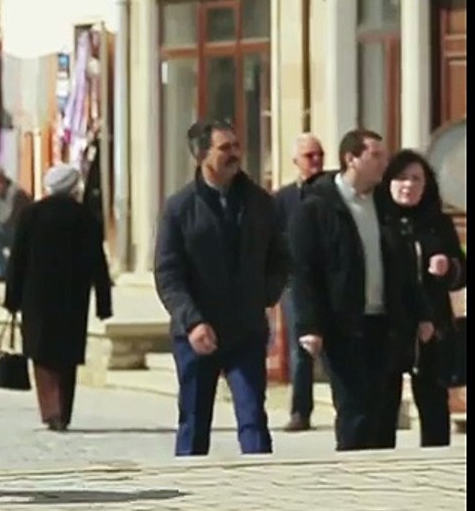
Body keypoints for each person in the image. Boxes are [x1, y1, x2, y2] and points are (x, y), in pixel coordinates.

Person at [289, 129, 435, 451]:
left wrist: (422, 312)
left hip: (384, 323)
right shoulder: (318, 206)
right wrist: (309, 324)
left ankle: (378, 476)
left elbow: (403, 266)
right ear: (351, 159)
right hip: (343, 325)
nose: (384, 162)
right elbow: (303, 271)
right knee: (355, 410)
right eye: (376, 155)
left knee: (382, 411)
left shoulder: (384, 205)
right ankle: (351, 473)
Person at [153, 120, 287, 457]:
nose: (234, 154)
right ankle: (192, 481)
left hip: (246, 332)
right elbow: (169, 274)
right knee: (194, 419)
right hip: (198, 334)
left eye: (236, 146)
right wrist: (192, 321)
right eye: (224, 148)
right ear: (201, 155)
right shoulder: (179, 208)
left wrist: (265, 295)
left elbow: (281, 257)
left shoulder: (259, 203)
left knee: (253, 416)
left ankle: (261, 480)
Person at [4, 164, 113, 431]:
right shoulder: (86, 217)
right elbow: (98, 263)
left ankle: (50, 410)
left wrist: (12, 298)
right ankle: (63, 411)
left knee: (41, 355)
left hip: (36, 296)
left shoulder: (31, 214)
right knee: (66, 356)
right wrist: (103, 302)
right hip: (72, 297)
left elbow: (17, 260)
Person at [377, 149, 465, 448]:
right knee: (384, 404)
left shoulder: (437, 223)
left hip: (433, 326)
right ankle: (380, 464)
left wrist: (449, 266)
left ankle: (435, 461)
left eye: (416, 179)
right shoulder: (379, 221)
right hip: (390, 324)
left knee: (433, 403)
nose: (408, 185)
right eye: (401, 178)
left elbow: (461, 273)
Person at [273, 133, 325, 432]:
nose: (316, 161)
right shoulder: (283, 199)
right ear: (296, 161)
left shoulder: (332, 191)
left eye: (319, 155)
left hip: (331, 279)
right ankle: (300, 412)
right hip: (296, 282)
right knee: (301, 346)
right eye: (309, 156)